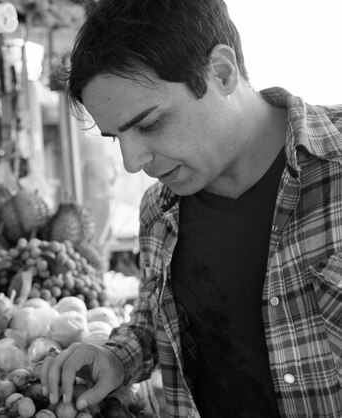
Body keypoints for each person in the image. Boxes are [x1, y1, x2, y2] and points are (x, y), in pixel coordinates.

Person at [35, 0, 342, 417]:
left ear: (221, 72)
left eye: (149, 124)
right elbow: (155, 322)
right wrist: (117, 357)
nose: (131, 162)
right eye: (115, 137)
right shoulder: (159, 214)